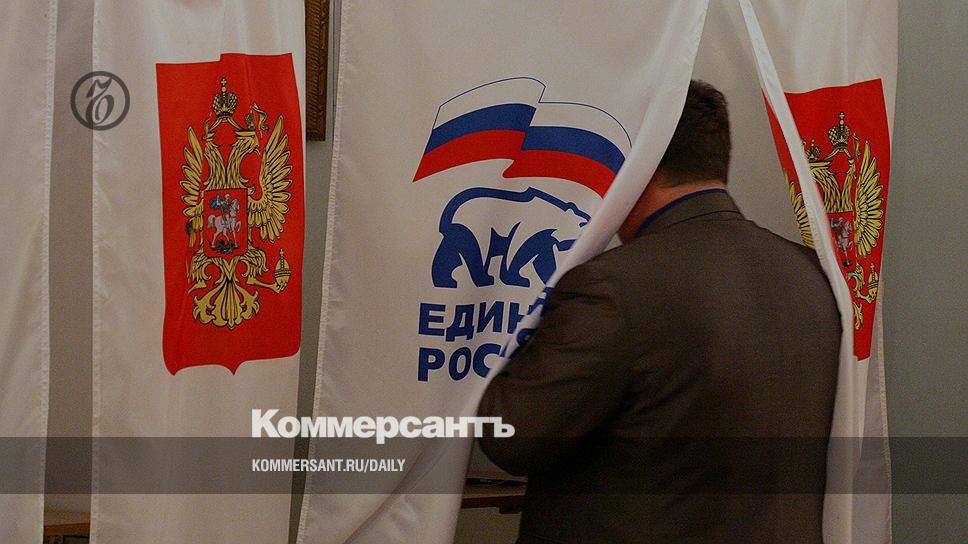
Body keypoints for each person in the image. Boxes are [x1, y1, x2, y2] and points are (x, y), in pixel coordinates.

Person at [477, 80, 841, 543]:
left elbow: (513, 437)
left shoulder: (612, 287)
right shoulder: (811, 274)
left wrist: (479, 335)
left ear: (636, 161)